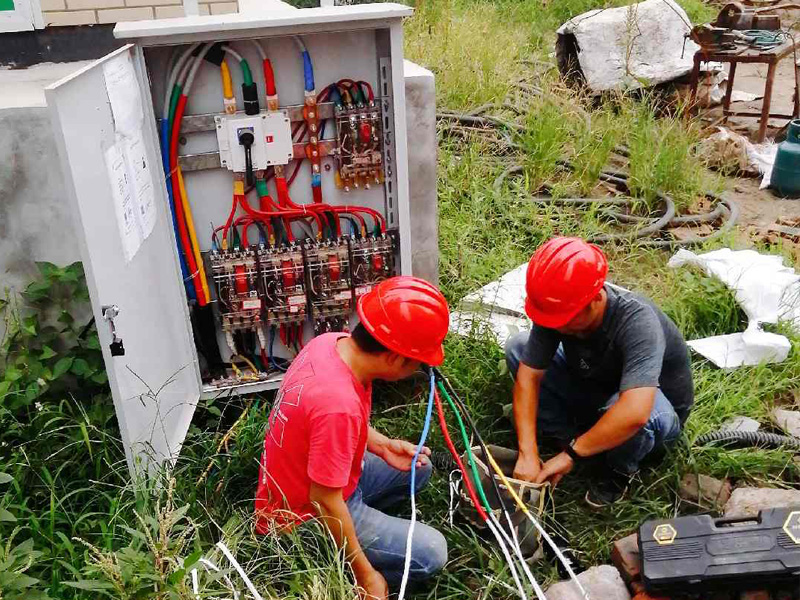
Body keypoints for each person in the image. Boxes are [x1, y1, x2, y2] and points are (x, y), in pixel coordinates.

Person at [255, 276, 449, 599]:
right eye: (417, 363)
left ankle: (368, 529)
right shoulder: (338, 405)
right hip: (303, 515)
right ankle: (338, 554)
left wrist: (384, 446)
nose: (418, 369)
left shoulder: (332, 344)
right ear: (395, 359)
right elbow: (324, 499)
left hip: (326, 479)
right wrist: (365, 575)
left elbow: (332, 426)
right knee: (432, 552)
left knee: (419, 466)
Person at [505, 237, 693, 507]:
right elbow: (528, 377)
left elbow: (635, 412)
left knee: (641, 415)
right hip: (595, 387)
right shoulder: (559, 308)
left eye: (562, 321)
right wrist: (528, 452)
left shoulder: (638, 322)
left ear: (594, 299)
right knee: (518, 348)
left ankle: (617, 469)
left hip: (651, 412)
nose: (554, 327)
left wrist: (572, 454)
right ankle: (566, 437)